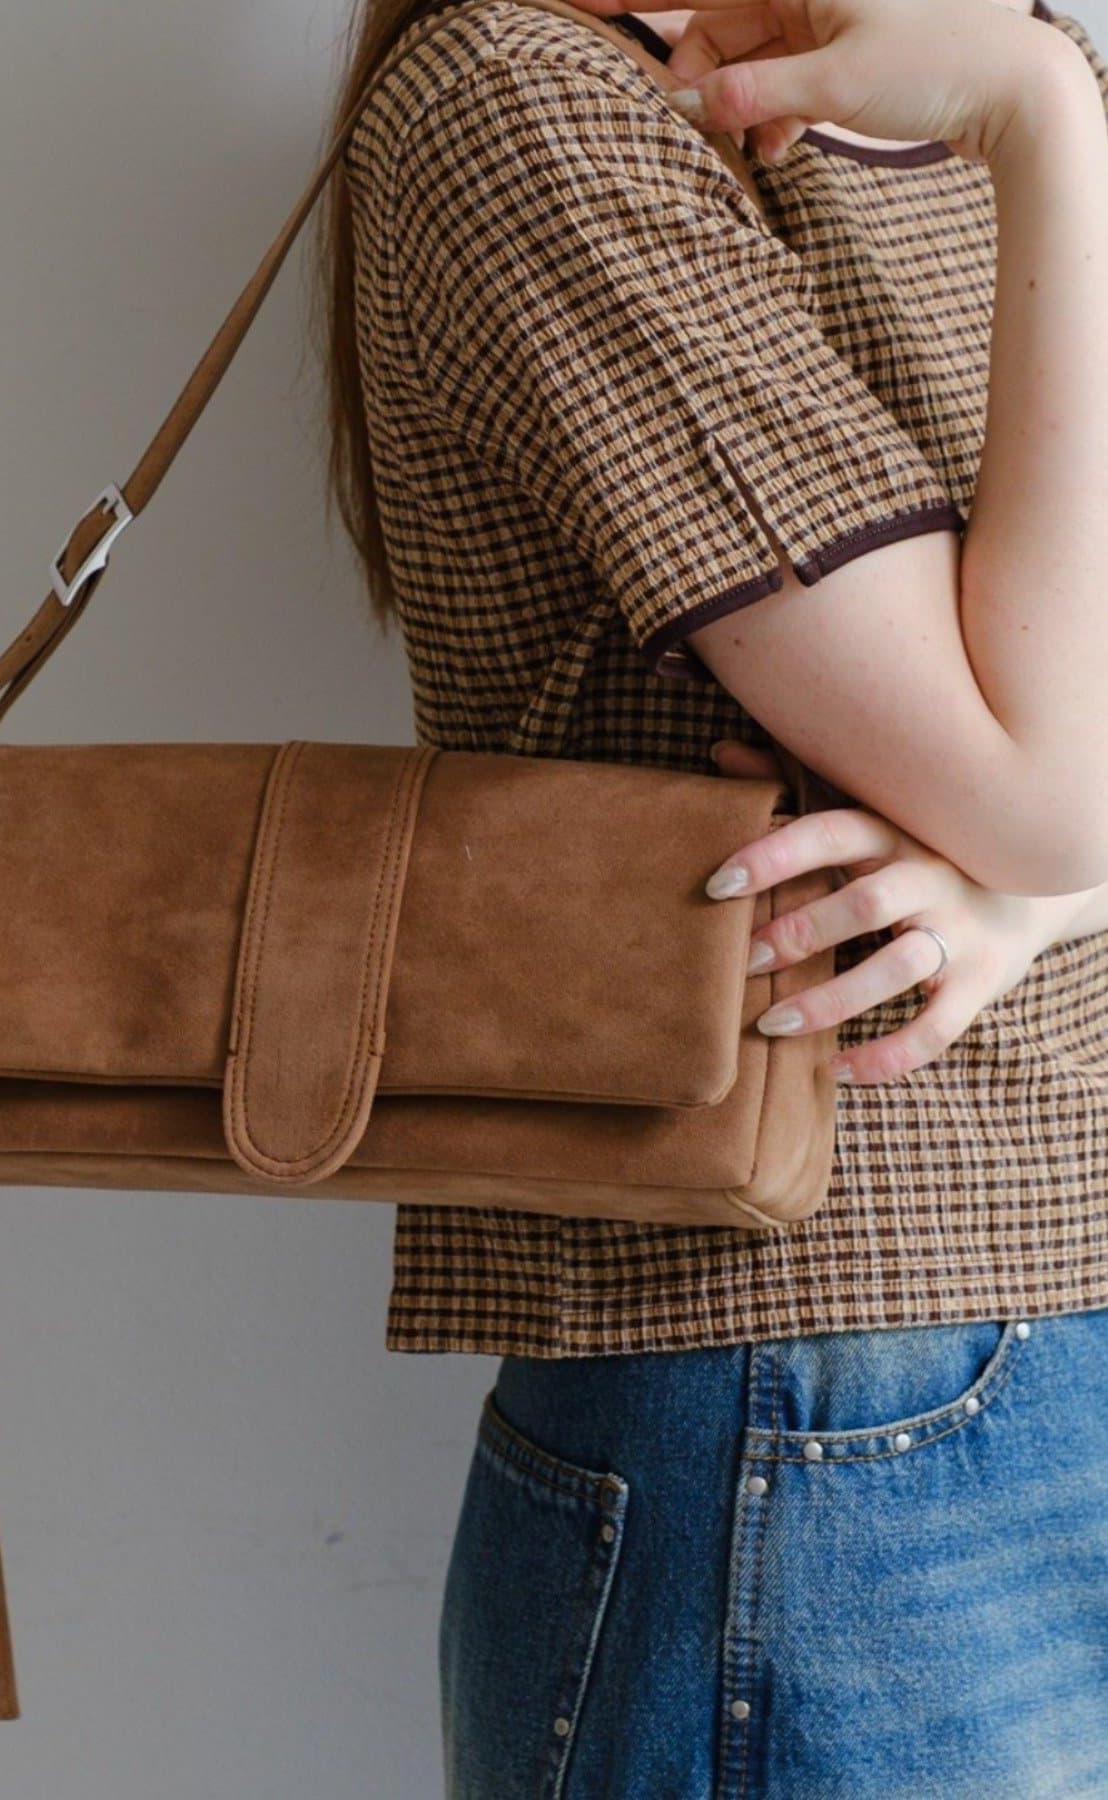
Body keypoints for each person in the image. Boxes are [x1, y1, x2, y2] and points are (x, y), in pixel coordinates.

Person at [319, 0, 1108, 1790]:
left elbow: (1057, 814)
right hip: (829, 1392)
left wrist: (1040, 903)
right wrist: (1043, 113)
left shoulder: (989, 50)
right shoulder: (527, 103)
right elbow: (1053, 785)